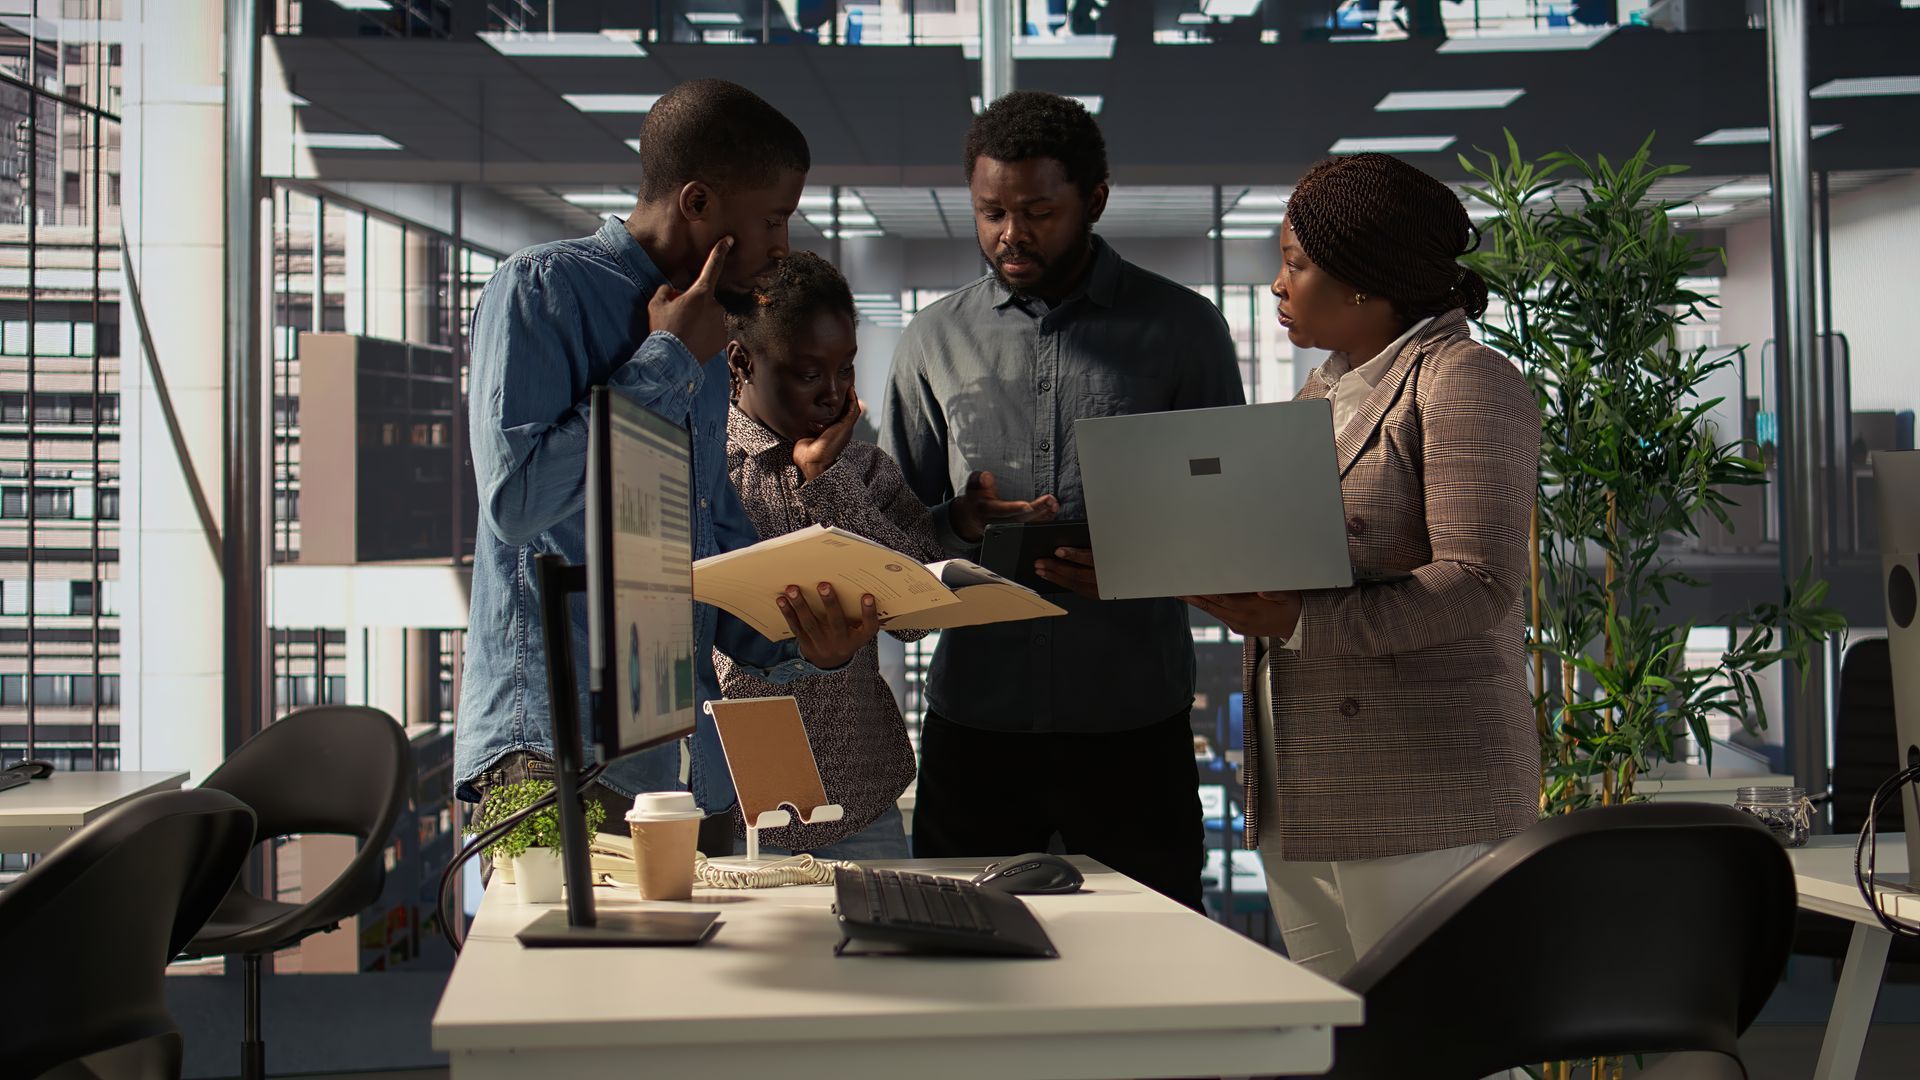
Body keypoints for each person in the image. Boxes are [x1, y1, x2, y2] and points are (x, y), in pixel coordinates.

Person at [453, 79, 881, 859]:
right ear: (697, 204)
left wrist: (803, 640)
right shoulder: (544, 289)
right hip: (556, 754)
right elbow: (517, 504)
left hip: (683, 767)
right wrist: (667, 356)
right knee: (568, 986)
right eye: (772, 219)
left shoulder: (709, 327)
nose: (784, 245)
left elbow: (706, 554)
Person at [881, 91, 1244, 909]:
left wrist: (1144, 562)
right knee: (957, 960)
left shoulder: (1184, 332)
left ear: (1095, 201)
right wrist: (959, 524)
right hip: (976, 723)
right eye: (991, 212)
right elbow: (893, 536)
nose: (1011, 233)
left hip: (1131, 723)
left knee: (1156, 965)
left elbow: (1229, 519)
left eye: (1039, 211)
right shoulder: (931, 341)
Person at [1183, 153, 1540, 978]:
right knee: (1339, 1042)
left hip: (1422, 788)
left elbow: (1479, 581)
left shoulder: (1463, 381)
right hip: (1304, 785)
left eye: (1296, 265)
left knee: (1440, 1045)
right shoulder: (1324, 393)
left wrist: (1303, 619)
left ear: (1363, 281)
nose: (1277, 284)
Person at [716, 251, 943, 860]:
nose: (836, 392)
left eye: (845, 369)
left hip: (857, 802)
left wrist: (824, 480)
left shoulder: (865, 469)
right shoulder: (703, 473)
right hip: (731, 808)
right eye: (809, 372)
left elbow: (921, 614)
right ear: (742, 362)